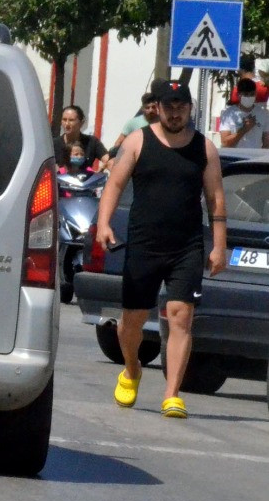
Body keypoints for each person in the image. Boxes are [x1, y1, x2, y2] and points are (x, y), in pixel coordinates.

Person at [96, 79, 228, 419]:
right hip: (144, 244)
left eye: (180, 107)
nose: (174, 113)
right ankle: (131, 368)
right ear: (159, 108)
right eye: (169, 107)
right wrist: (104, 223)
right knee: (131, 323)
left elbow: (215, 197)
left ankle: (172, 394)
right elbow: (115, 183)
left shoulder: (204, 149)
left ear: (189, 108)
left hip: (186, 245)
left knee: (181, 317)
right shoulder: (140, 141)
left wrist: (219, 244)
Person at [219, 77, 269, 148]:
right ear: (238, 95)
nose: (249, 97)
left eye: (252, 94)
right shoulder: (228, 113)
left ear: (255, 94)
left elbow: (266, 143)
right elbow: (225, 143)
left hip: (255, 157)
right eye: (245, 94)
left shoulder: (264, 113)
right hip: (235, 157)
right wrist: (244, 129)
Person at [55, 104, 108, 170]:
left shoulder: (91, 142)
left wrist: (101, 169)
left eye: (71, 120)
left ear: (81, 123)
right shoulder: (53, 145)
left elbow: (107, 159)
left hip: (86, 179)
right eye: (64, 120)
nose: (67, 124)